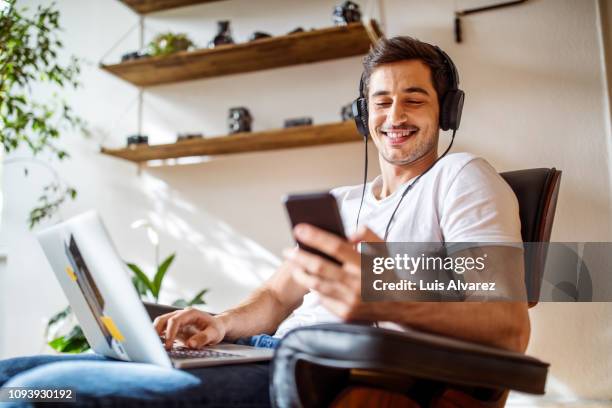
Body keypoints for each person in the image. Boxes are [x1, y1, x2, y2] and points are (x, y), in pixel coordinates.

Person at [0, 36, 529, 407]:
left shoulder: (461, 177)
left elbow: (509, 325)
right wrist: (222, 325)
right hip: (264, 354)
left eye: (415, 99)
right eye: (381, 102)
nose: (395, 117)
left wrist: (384, 297)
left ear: (447, 112)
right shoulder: (341, 203)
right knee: (13, 381)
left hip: (343, 379)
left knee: (43, 397)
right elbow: (277, 298)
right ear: (362, 115)